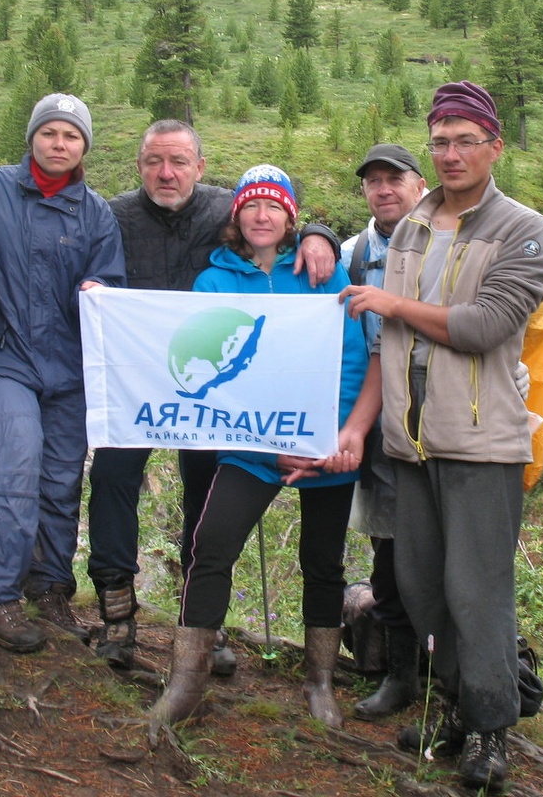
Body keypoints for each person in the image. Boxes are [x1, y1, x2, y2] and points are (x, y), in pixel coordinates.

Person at [341, 81, 543, 793]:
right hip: (411, 442)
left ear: (495, 146)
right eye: (440, 141)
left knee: (477, 590)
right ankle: (458, 709)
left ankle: (492, 731)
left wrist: (395, 302)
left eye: (467, 140)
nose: (452, 154)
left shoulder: (525, 229)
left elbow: (485, 326)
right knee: (424, 588)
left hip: (481, 441)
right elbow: (388, 342)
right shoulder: (412, 227)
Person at [85, 121, 339, 672]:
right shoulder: (113, 214)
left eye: (178, 160)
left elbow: (275, 217)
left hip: (212, 389)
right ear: (139, 165)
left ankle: (201, 622)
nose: (166, 172)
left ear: (200, 167)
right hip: (136, 382)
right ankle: (116, 612)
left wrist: (321, 233)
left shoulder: (225, 207)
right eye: (154, 160)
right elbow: (85, 262)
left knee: (205, 493)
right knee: (110, 479)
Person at [154, 165, 381, 725]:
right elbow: (211, 381)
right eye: (252, 205)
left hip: (326, 449)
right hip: (248, 448)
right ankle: (186, 682)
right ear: (236, 216)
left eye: (274, 206)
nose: (262, 215)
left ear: (290, 219)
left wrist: (332, 439)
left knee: (322, 563)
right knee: (211, 546)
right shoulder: (214, 282)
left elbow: (353, 360)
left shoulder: (323, 274)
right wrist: (265, 448)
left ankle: (320, 681)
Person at [0, 94, 127, 653]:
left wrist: (100, 289)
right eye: (50, 132)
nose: (60, 144)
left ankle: (50, 587)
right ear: (32, 137)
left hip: (68, 365)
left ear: (84, 146)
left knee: (60, 478)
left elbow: (110, 280)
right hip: (1, 356)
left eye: (71, 136)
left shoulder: (96, 213)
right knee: (15, 458)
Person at [338, 144, 428, 720]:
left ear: (418, 184)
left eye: (394, 179)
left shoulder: (443, 242)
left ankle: (457, 676)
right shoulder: (354, 253)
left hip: (441, 419)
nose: (383, 189)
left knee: (446, 554)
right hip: (377, 425)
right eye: (372, 181)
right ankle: (401, 675)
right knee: (389, 552)